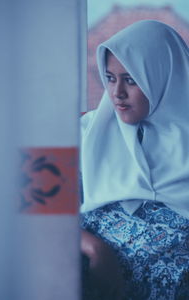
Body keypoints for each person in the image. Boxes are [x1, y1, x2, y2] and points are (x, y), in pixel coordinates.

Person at [80, 20, 189, 300]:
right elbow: (32, 209)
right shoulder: (85, 133)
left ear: (164, 76)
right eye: (110, 78)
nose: (117, 93)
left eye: (131, 80)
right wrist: (92, 246)